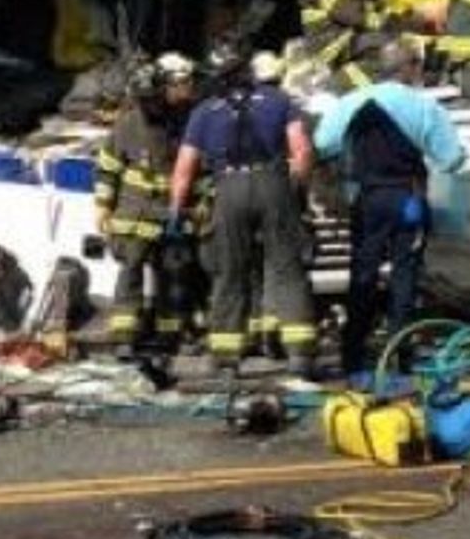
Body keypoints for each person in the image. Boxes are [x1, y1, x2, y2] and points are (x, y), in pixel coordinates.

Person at [314, 40, 467, 380]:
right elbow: (453, 160)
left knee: (362, 274)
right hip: (407, 200)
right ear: (410, 68)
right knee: (405, 277)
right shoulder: (424, 107)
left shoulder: (350, 103)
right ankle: (401, 355)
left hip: (365, 200)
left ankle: (352, 356)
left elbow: (323, 144)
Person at [170, 40, 318, 377]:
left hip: (229, 189)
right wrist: (295, 189)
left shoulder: (204, 112)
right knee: (287, 268)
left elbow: (184, 169)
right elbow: (302, 151)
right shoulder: (279, 101)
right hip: (273, 182)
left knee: (230, 272)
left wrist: (176, 213)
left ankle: (226, 361)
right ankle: (300, 356)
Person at [94, 52, 199, 352]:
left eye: (154, 98)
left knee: (172, 275)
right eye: (145, 100)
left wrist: (200, 204)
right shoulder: (127, 123)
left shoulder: (185, 120)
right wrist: (102, 204)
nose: (150, 105)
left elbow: (199, 166)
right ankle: (125, 337)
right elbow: (109, 166)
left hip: (171, 212)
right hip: (134, 211)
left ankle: (170, 335)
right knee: (130, 271)